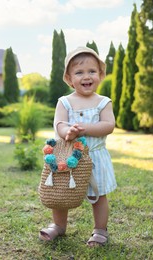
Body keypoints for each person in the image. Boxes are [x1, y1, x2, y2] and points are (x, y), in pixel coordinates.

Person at [39, 46, 117, 247]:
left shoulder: (103, 102)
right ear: (69, 78)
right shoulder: (65, 102)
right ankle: (58, 225)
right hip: (68, 157)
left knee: (98, 196)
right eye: (79, 72)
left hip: (95, 158)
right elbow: (59, 124)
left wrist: (86, 128)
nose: (86, 76)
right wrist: (68, 132)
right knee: (60, 193)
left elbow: (108, 125)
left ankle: (100, 230)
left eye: (92, 71)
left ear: (100, 75)